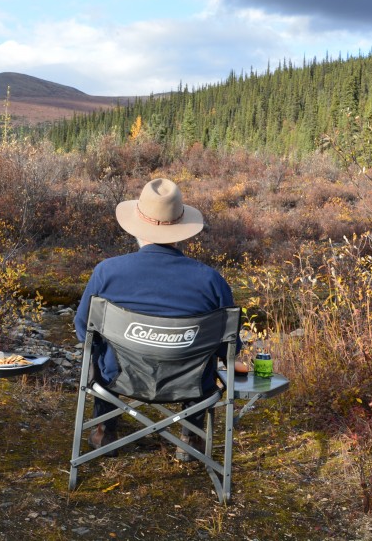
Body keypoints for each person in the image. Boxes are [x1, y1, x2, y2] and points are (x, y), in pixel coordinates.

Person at [74, 178, 245, 459]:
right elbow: (229, 348)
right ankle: (191, 438)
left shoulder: (107, 272)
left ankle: (104, 430)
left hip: (120, 379)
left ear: (136, 228)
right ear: (181, 230)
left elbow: (84, 331)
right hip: (189, 383)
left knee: (102, 351)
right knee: (203, 362)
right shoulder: (211, 281)